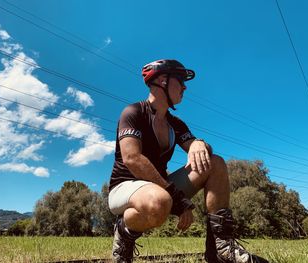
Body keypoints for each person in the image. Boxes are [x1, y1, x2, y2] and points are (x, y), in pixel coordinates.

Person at [108, 59, 269, 263]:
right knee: (160, 201)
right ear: (162, 81)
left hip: (159, 188)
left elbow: (202, 151)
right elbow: (132, 159)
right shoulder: (133, 113)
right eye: (180, 81)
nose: (185, 87)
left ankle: (221, 250)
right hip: (124, 188)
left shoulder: (176, 124)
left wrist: (198, 143)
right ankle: (123, 231)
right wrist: (177, 199)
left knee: (214, 163)